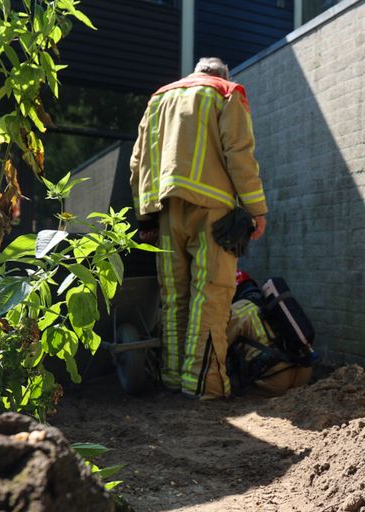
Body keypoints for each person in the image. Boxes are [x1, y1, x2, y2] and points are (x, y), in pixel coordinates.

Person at [130, 57, 267, 399]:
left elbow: (138, 162)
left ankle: (173, 380)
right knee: (211, 296)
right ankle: (205, 387)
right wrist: (257, 210)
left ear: (196, 71)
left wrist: (146, 218)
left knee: (174, 298)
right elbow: (239, 154)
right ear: (222, 74)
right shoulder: (226, 93)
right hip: (213, 214)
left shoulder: (158, 99)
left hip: (165, 212)